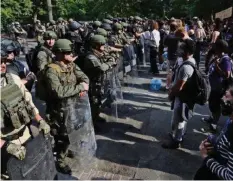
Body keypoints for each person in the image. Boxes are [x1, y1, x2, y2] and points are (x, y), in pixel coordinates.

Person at [0, 50, 51, 179]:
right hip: (4, 148)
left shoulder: (14, 79)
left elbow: (28, 104)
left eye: (3, 61)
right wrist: (6, 146)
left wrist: (40, 121)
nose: (3, 65)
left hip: (25, 137)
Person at [43, 39, 89, 174]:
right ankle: (60, 160)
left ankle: (65, 151)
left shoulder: (71, 66)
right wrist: (79, 87)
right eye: (69, 52)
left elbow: (85, 78)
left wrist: (82, 88)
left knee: (71, 131)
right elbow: (58, 92)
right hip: (58, 111)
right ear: (61, 53)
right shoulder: (51, 71)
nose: (71, 55)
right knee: (61, 136)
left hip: (71, 106)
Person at [162, 39, 196, 149]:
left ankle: (176, 141)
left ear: (186, 51)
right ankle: (177, 136)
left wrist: (171, 94)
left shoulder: (186, 67)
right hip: (183, 97)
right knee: (180, 119)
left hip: (182, 98)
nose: (179, 50)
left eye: (181, 48)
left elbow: (179, 86)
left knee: (178, 120)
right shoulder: (189, 60)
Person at [194, 86, 233, 180]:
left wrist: (206, 157)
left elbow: (230, 176)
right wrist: (214, 147)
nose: (223, 101)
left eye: (227, 99)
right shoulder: (230, 120)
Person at [83, 35, 116, 130]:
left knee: (98, 103)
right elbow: (101, 68)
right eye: (102, 45)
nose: (104, 46)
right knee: (93, 104)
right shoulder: (90, 57)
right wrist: (110, 64)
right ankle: (91, 124)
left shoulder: (98, 53)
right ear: (96, 45)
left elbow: (108, 57)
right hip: (92, 85)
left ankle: (96, 117)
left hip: (98, 83)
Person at [202, 40, 232, 132]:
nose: (214, 48)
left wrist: (216, 66)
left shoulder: (226, 59)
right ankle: (212, 118)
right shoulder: (219, 57)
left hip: (218, 86)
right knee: (212, 103)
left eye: (215, 46)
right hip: (213, 85)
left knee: (215, 104)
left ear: (220, 48)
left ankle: (214, 123)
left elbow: (227, 75)